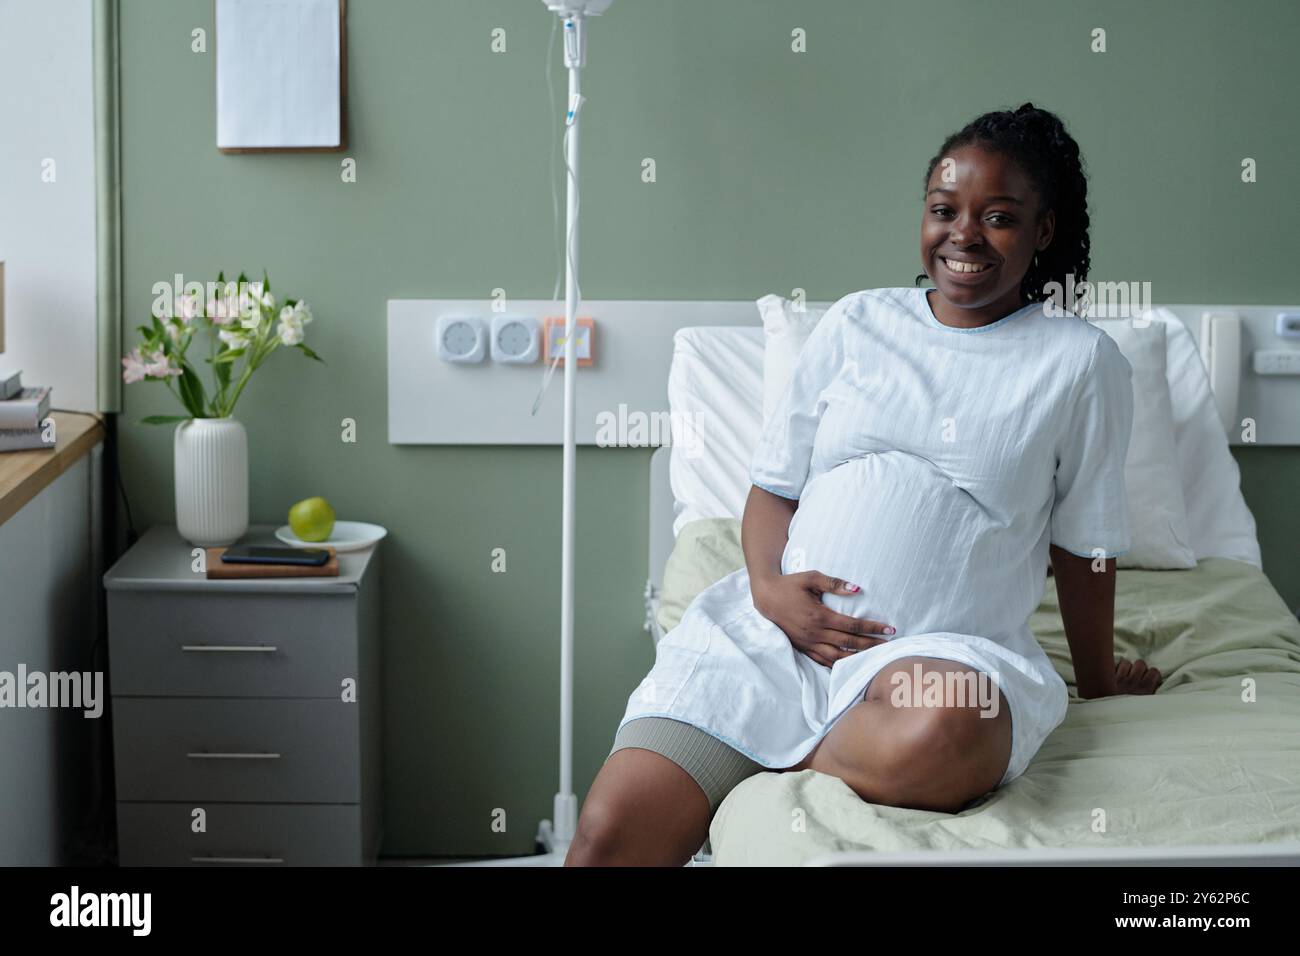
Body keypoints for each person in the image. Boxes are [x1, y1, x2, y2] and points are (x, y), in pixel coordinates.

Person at [565, 103, 1163, 867]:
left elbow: (1086, 544)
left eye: (1000, 217)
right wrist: (765, 590)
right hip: (775, 639)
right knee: (606, 834)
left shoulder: (1079, 362)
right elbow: (773, 489)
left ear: (1043, 231)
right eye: (944, 210)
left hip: (929, 658)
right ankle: (756, 730)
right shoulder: (856, 324)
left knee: (955, 724)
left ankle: (760, 758)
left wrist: (1100, 678)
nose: (964, 235)